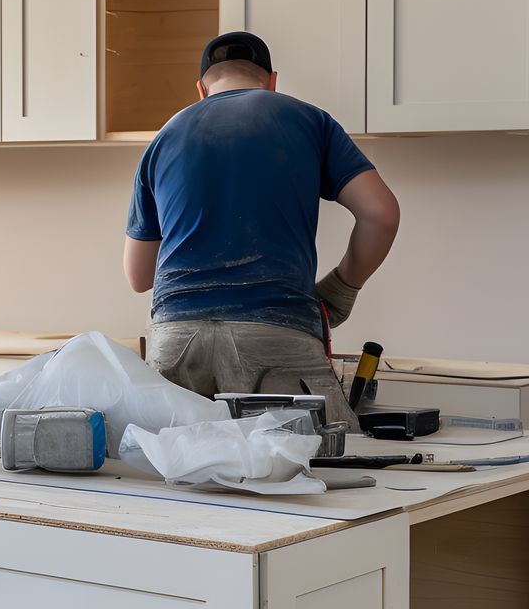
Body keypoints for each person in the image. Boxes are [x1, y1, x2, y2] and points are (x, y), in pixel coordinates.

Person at [122, 31, 400, 424]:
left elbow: (138, 276)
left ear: (201, 89)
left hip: (177, 337)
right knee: (325, 470)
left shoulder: (164, 137)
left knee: (176, 476)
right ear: (271, 81)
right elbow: (381, 214)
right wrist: (340, 290)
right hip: (276, 331)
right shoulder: (310, 120)